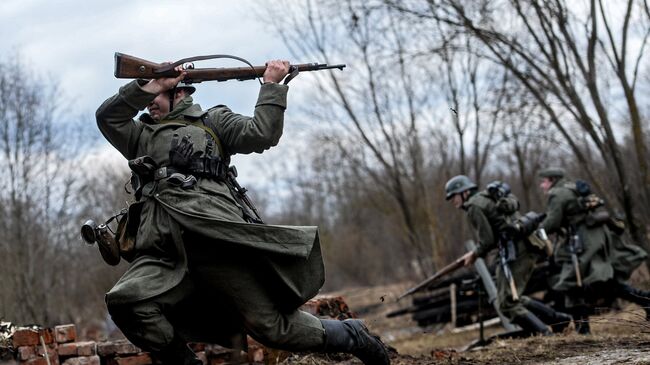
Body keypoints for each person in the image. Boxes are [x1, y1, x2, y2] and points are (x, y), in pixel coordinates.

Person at [95, 60, 390, 364]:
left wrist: (272, 86)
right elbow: (107, 117)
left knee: (273, 330)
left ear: (179, 92)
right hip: (162, 252)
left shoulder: (212, 121)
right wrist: (151, 85)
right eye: (147, 95)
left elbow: (261, 133)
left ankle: (353, 336)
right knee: (126, 301)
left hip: (216, 242)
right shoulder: (140, 136)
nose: (149, 102)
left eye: (156, 95)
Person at [444, 175, 572, 336]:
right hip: (526, 245)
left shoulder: (474, 207)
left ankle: (544, 333)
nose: (453, 202)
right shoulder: (486, 197)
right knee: (512, 297)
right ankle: (559, 320)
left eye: (454, 196)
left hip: (516, 251)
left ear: (465, 193)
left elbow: (487, 240)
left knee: (507, 304)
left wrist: (474, 255)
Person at [538, 167, 650, 334]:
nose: (542, 185)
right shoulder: (571, 187)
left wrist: (536, 230)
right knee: (596, 282)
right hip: (594, 237)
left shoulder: (558, 194)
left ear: (552, 180)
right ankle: (645, 300)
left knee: (575, 282)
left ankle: (583, 330)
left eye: (544, 181)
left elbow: (552, 222)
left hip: (584, 241)